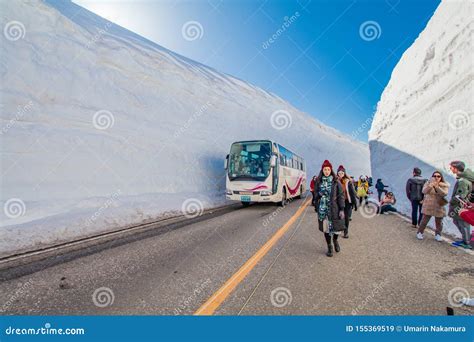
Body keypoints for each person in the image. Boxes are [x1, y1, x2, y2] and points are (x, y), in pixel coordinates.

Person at [313, 160, 345, 257]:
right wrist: (319, 194)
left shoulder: (336, 182)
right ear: (322, 170)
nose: (326, 171)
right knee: (326, 229)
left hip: (334, 209)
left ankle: (335, 240)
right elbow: (315, 195)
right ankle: (329, 246)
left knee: (336, 229)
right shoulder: (318, 182)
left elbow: (341, 196)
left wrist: (342, 209)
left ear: (331, 170)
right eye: (325, 169)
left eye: (328, 169)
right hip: (323, 209)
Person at [416, 171, 449, 241]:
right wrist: (430, 185)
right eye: (435, 176)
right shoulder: (428, 183)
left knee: (439, 222)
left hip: (439, 205)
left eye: (438, 176)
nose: (436, 177)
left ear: (441, 177)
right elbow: (424, 191)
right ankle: (420, 232)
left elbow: (444, 193)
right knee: (424, 221)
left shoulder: (445, 185)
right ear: (432, 176)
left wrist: (437, 187)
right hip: (429, 204)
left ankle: (438, 234)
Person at [448, 161, 473, 249]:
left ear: (455, 168)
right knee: (457, 221)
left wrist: (453, 201)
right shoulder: (463, 179)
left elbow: (461, 195)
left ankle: (466, 242)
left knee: (463, 223)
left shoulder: (463, 181)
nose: (450, 169)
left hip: (460, 205)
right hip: (461, 204)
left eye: (451, 167)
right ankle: (465, 239)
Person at [337, 165, 357, 238]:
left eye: (342, 173)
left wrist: (354, 203)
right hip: (338, 202)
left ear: (344, 173)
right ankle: (340, 228)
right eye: (339, 173)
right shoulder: (335, 181)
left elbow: (352, 192)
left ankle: (346, 231)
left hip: (347, 201)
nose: (340, 175)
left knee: (346, 217)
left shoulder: (348, 182)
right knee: (338, 216)